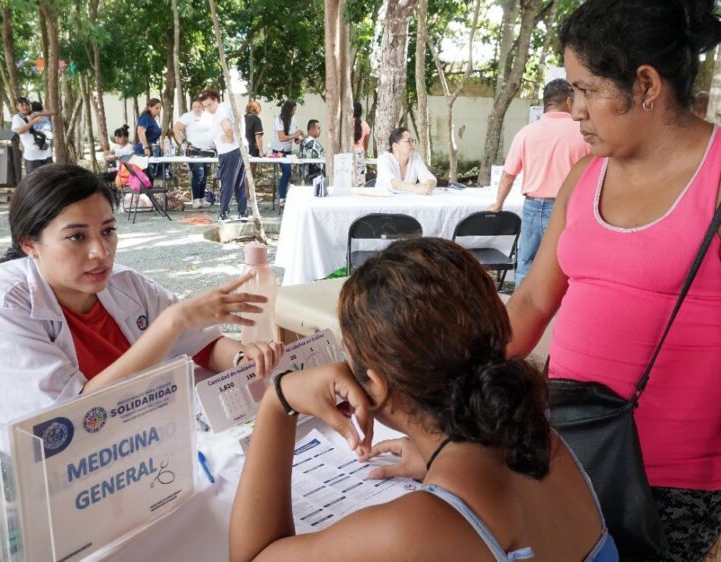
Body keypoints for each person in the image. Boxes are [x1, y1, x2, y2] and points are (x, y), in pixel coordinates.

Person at [506, 2, 721, 560]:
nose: (573, 109)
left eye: (586, 89)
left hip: (670, 487)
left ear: (645, 84)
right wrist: (440, 382)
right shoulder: (586, 174)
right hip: (567, 444)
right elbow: (531, 298)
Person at [229, 238, 618, 562]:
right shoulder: (542, 440)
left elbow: (252, 556)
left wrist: (279, 401)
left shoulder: (412, 530)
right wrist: (434, 455)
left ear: (376, 385)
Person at [0, 164, 283, 425]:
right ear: (29, 244)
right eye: (76, 237)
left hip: (138, 434)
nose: (101, 252)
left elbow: (202, 343)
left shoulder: (124, 284)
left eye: (108, 231)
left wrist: (243, 360)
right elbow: (73, 419)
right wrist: (171, 323)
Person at [489, 79, 590, 286]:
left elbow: (508, 174)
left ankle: (519, 313)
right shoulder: (583, 133)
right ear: (569, 101)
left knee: (526, 262)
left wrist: (499, 203)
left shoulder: (526, 132)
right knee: (563, 264)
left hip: (532, 207)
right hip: (567, 209)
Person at [199, 89, 248, 223]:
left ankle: (224, 213)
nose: (208, 109)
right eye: (205, 107)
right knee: (239, 181)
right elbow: (239, 118)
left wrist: (230, 138)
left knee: (228, 181)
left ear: (216, 99)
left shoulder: (220, 109)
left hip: (229, 150)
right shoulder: (228, 106)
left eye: (209, 105)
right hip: (240, 147)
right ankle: (243, 212)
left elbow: (227, 128)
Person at [173, 100, 216, 209]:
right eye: (194, 106)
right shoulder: (188, 117)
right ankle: (196, 199)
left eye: (199, 106)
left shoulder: (209, 116)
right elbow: (176, 129)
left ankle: (202, 198)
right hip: (194, 151)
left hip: (208, 150)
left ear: (203, 107)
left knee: (205, 175)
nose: (197, 108)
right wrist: (183, 144)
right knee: (198, 174)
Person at [375, 127, 436, 194]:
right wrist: (415, 188)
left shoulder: (415, 157)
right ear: (395, 146)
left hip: (407, 201)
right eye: (408, 141)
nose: (412, 144)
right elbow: (392, 182)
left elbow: (430, 178)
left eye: (413, 141)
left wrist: (428, 185)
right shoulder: (384, 159)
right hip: (384, 201)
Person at [273, 100, 304, 207]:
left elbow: (294, 138)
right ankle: (282, 197)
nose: (294, 112)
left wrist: (298, 140)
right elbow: (282, 138)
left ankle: (284, 194)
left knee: (289, 173)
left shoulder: (293, 119)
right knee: (287, 172)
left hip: (288, 151)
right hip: (277, 152)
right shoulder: (279, 120)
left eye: (295, 110)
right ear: (288, 110)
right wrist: (295, 134)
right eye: (293, 110)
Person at [11, 97, 53, 174]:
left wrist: (38, 113)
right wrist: (33, 121)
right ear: (17, 107)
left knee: (49, 181)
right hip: (32, 156)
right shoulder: (17, 118)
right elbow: (19, 131)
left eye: (27, 104)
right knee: (34, 182)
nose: (25, 107)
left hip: (47, 153)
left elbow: (54, 112)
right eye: (22, 105)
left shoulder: (34, 113)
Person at [134, 98, 167, 179]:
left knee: (150, 178)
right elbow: (141, 132)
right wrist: (146, 147)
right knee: (145, 178)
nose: (159, 110)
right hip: (144, 150)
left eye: (160, 108)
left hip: (152, 149)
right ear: (149, 107)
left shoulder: (152, 119)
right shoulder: (145, 118)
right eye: (156, 108)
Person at [299, 119, 325, 183]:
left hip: (310, 177)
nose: (320, 130)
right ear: (311, 129)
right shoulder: (310, 142)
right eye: (318, 128)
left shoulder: (307, 141)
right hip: (313, 178)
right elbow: (311, 161)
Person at [244, 99, 265, 178]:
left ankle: (244, 190)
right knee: (250, 173)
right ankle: (248, 190)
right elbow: (258, 136)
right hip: (252, 149)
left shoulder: (242, 118)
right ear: (256, 108)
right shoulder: (256, 119)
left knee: (243, 173)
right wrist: (261, 151)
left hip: (241, 149)